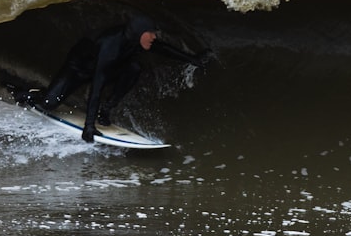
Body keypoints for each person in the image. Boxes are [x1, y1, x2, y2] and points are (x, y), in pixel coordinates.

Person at [19, 14, 212, 142]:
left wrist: (192, 59)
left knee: (134, 68)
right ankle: (30, 93)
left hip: (105, 67)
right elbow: (96, 88)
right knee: (49, 103)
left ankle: (107, 109)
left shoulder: (135, 40)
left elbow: (161, 48)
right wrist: (88, 126)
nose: (154, 37)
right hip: (78, 68)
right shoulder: (109, 48)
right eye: (151, 33)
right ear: (140, 33)